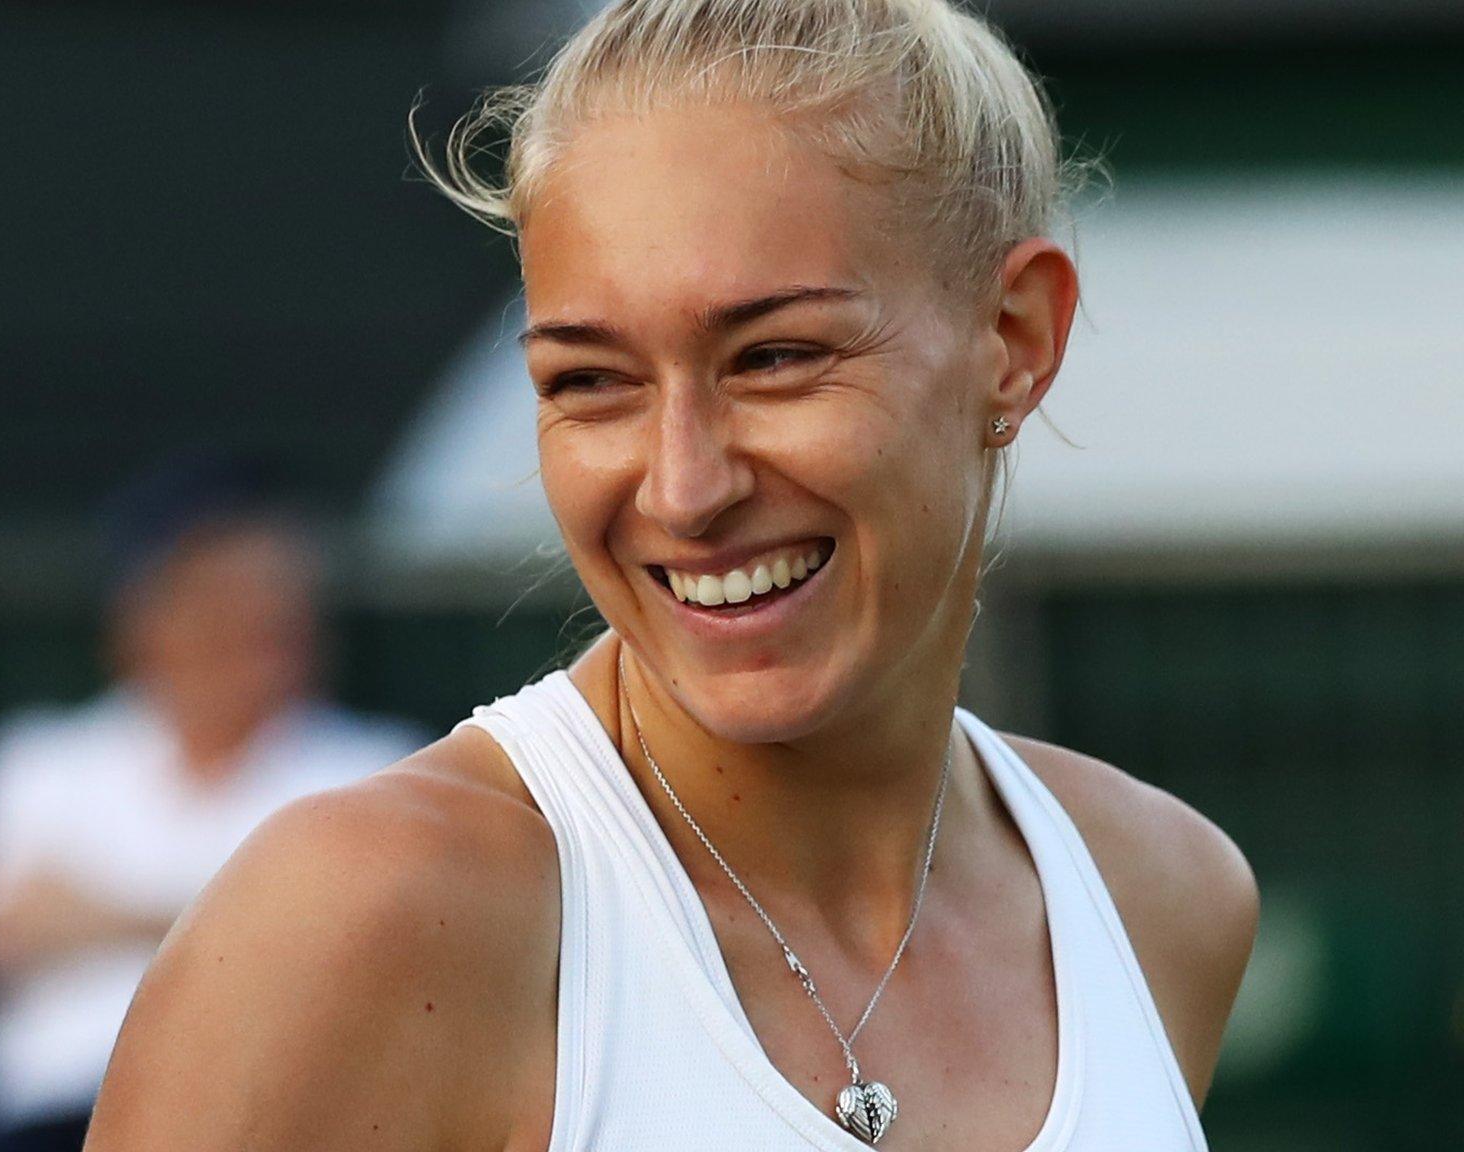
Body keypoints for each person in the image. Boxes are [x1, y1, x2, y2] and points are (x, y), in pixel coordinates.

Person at [87, 2, 1258, 1150]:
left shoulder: (1158, 895)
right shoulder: (369, 911)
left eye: (775, 358)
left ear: (1013, 339)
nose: (682, 489)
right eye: (590, 381)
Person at [0, 458, 421, 1152]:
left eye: (275, 598)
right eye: (214, 597)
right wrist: (244, 921)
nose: (253, 622)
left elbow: (364, 956)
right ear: (141, 619)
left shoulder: (378, 764)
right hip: (35, 1117)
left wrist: (105, 918)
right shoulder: (41, 758)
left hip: (268, 1120)